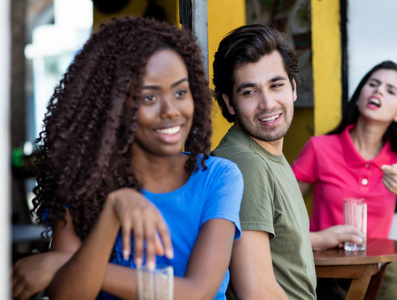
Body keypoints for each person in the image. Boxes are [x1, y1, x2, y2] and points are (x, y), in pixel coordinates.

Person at [12, 17, 244, 300]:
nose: (171, 110)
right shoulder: (83, 185)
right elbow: (69, 295)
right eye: (149, 98)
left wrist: (63, 264)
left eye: (181, 92)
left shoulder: (218, 178)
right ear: (113, 108)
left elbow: (197, 292)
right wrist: (112, 213)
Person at [292, 60, 397, 299]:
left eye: (390, 90)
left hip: (374, 274)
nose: (378, 91)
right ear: (360, 96)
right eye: (373, 84)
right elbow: (283, 203)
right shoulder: (320, 148)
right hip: (322, 273)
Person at [212, 24, 321, 300]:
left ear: (293, 87)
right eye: (250, 92)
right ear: (230, 103)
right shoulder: (247, 163)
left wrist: (321, 239)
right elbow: (256, 291)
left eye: (276, 85)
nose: (268, 103)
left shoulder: (266, 153)